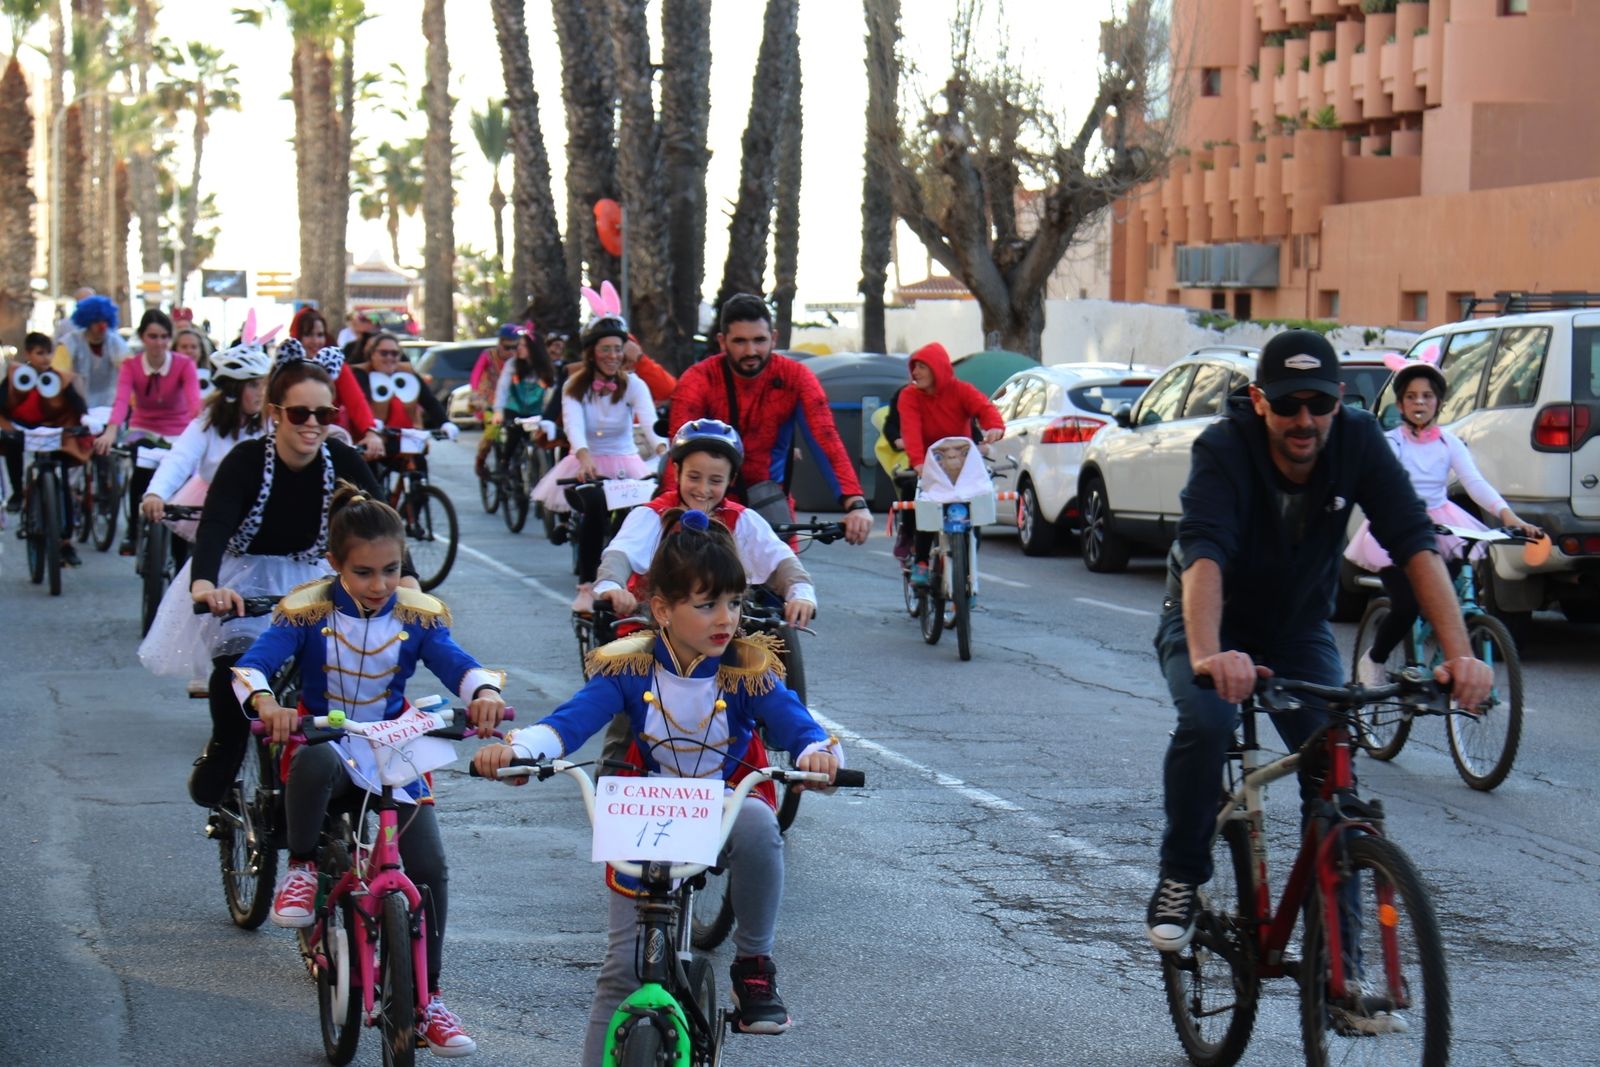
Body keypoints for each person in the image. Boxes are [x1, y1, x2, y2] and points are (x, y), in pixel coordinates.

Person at [1146, 330, 1493, 968]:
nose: (1303, 420)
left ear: (1339, 398)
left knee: (1330, 760)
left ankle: (1344, 963)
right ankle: (1180, 877)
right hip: (1210, 618)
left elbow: (1415, 542)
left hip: (1297, 624)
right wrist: (1207, 655)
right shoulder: (1224, 448)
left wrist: (1459, 653)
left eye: (1317, 403)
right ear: (1258, 402)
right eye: (1286, 404)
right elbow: (1204, 554)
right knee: (1207, 717)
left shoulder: (1357, 441)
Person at [472, 509, 844, 1064]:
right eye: (707, 604)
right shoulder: (630, 668)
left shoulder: (746, 668)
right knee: (620, 970)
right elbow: (569, 723)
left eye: (736, 603)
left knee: (762, 825)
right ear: (663, 610)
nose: (727, 619)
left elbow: (795, 721)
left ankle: (753, 965)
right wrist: (521, 750)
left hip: (719, 803)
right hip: (643, 809)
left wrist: (817, 752)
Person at [232, 482, 503, 1058]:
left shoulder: (416, 615)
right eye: (363, 572)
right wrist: (267, 705)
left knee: (429, 866)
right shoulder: (305, 611)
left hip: (390, 748)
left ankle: (427, 999)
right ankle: (302, 867)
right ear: (335, 565)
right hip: (326, 740)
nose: (379, 585)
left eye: (391, 570)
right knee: (316, 758)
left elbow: (457, 662)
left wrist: (480, 694)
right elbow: (254, 666)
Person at [184, 346, 418, 811]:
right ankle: (225, 751)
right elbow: (214, 526)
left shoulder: (341, 458)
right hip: (247, 577)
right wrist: (205, 585)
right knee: (236, 668)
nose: (312, 423)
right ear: (275, 414)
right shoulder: (246, 460)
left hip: (318, 576)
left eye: (323, 413)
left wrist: (407, 579)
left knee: (352, 670)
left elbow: (382, 523)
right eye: (299, 413)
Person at [1346, 355, 1543, 686]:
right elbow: (1385, 487)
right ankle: (1375, 659)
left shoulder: (1449, 442)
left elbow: (1475, 483)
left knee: (1448, 602)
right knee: (1407, 605)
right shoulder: (1391, 442)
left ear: (1438, 402)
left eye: (1427, 396)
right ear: (1400, 403)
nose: (1419, 402)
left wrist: (1511, 517)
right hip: (1397, 529)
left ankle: (1441, 665)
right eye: (1411, 396)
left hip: (1442, 527)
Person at [668, 293, 873, 543]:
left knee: (792, 578)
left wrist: (855, 503)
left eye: (759, 340)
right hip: (707, 499)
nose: (751, 351)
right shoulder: (698, 379)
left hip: (768, 501)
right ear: (722, 342)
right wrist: (672, 513)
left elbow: (826, 437)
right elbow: (677, 452)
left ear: (774, 338)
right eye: (740, 341)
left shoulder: (796, 377)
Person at [137, 341, 273, 694]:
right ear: (232, 390)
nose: (261, 392)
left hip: (263, 515)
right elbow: (178, 460)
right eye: (254, 384)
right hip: (214, 510)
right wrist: (156, 494)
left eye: (263, 383)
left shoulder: (273, 422)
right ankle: (208, 663)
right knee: (205, 586)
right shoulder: (207, 425)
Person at [594, 418, 815, 627]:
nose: (702, 489)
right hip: (656, 621)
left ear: (732, 480)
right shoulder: (652, 515)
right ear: (677, 472)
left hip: (722, 625)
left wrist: (801, 593)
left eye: (716, 480)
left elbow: (779, 559)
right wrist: (612, 586)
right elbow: (620, 553)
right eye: (694, 477)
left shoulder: (742, 519)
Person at [529, 300, 666, 605]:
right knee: (594, 506)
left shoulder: (634, 384)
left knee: (647, 514)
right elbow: (574, 426)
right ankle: (587, 587)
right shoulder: (574, 385)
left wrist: (663, 450)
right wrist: (584, 456)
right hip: (587, 462)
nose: (613, 356)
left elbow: (650, 424)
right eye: (606, 349)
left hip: (627, 462)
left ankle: (640, 581)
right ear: (592, 352)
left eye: (618, 349)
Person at [893, 342, 1004, 586]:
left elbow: (984, 408)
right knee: (921, 500)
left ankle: (966, 568)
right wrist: (920, 464)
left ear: (938, 369)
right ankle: (921, 560)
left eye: (922, 367)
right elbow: (910, 431)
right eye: (915, 367)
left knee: (973, 506)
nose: (916, 373)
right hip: (928, 462)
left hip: (961, 463)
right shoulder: (909, 396)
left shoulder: (961, 390)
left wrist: (995, 426)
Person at [96, 309, 204, 555]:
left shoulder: (183, 364)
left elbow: (193, 404)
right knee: (141, 471)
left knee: (182, 481)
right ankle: (133, 532)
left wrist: (203, 432)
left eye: (164, 336)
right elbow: (122, 400)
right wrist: (111, 430)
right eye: (153, 336)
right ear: (142, 337)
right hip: (143, 428)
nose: (159, 343)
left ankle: (181, 541)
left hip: (178, 430)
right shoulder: (131, 366)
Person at [0, 332, 88, 564]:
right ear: (28, 354)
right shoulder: (14, 376)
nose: (46, 358)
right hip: (22, 430)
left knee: (65, 483)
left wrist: (85, 420)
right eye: (40, 353)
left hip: (54, 432)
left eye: (48, 352)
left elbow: (75, 401)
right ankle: (18, 493)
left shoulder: (60, 377)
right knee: (12, 445)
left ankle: (67, 540)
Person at [289, 306, 384, 459]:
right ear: (297, 336)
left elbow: (356, 401)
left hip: (329, 440)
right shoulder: (287, 367)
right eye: (308, 335)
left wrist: (371, 433)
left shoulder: (335, 364)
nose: (316, 341)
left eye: (320, 335)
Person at [350, 330, 450, 432]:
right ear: (372, 354)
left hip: (409, 434)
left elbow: (429, 401)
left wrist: (445, 423)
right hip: (373, 435)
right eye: (383, 353)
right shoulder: (360, 373)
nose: (389, 357)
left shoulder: (408, 372)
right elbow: (359, 403)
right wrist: (370, 423)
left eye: (394, 353)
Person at [493, 326, 555, 468]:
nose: (519, 348)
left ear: (534, 348)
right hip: (514, 408)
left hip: (536, 411)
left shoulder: (545, 368)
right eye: (518, 345)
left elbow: (552, 392)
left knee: (543, 438)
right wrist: (498, 410)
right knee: (514, 434)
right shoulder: (512, 365)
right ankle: (505, 463)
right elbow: (502, 388)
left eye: (523, 345)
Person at [53, 294, 128, 409]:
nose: (101, 326)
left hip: (110, 405)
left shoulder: (115, 342)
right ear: (87, 321)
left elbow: (128, 371)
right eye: (96, 321)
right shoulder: (70, 342)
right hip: (76, 406)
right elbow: (59, 374)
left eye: (104, 320)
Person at [470, 324, 522, 478]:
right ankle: (480, 460)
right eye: (507, 347)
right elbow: (476, 375)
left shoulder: (520, 359)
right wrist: (475, 395)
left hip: (511, 401)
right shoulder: (487, 355)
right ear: (500, 343)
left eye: (516, 347)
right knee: (493, 430)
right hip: (489, 400)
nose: (512, 351)